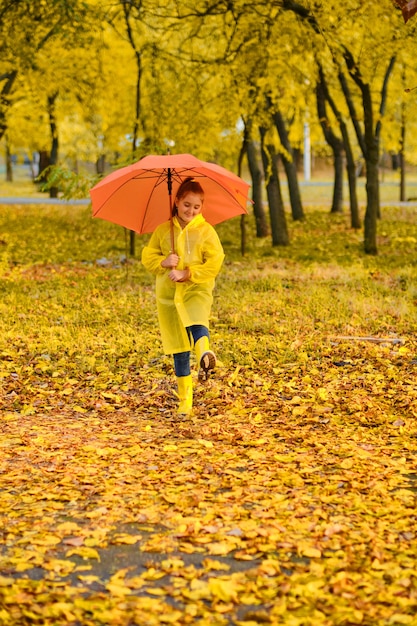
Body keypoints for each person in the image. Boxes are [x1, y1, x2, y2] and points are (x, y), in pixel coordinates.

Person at [141, 177, 225, 415]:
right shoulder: (162, 230)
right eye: (187, 205)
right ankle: (185, 403)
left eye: (196, 207)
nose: (191, 210)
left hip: (196, 289)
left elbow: (215, 261)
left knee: (198, 321)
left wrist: (188, 273)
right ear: (177, 201)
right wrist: (163, 262)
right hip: (169, 296)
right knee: (178, 345)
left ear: (202, 207)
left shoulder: (206, 232)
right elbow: (148, 257)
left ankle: (204, 355)